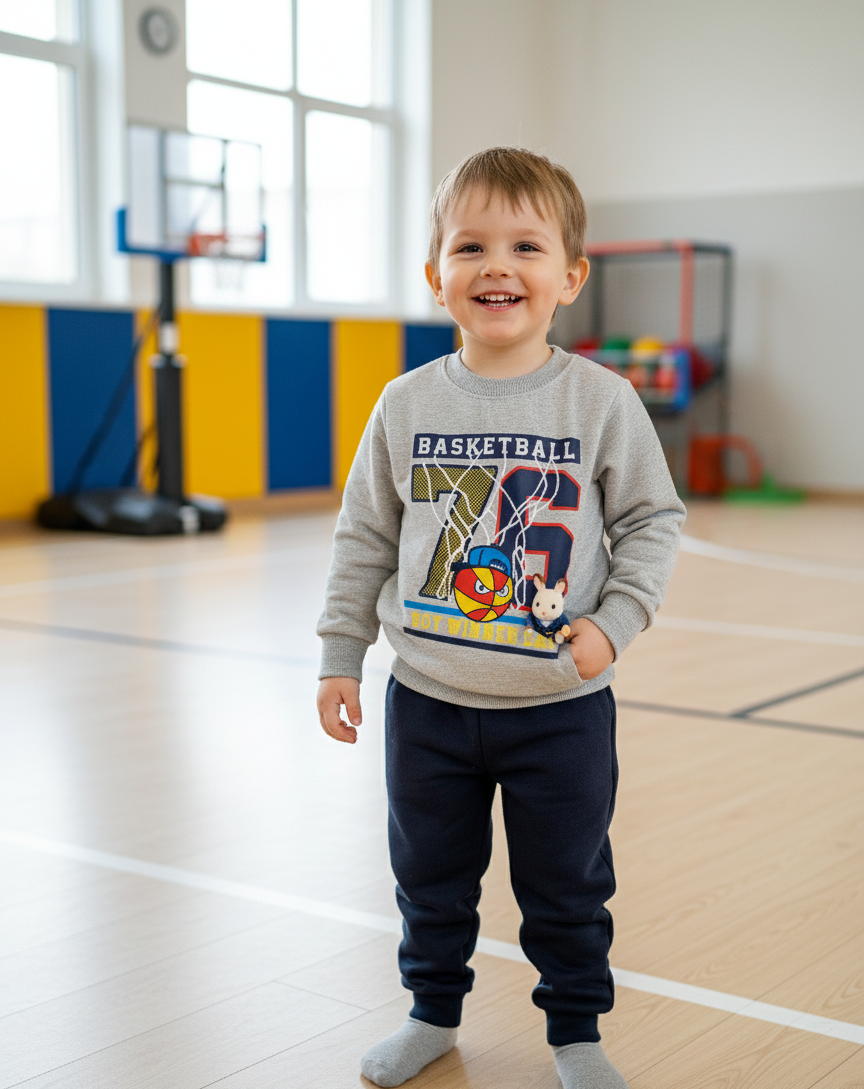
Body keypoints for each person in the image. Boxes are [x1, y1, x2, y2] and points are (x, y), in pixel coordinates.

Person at [316, 147, 686, 1089]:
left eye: (526, 246)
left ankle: (576, 1033)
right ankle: (431, 1013)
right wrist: (340, 654)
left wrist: (617, 619)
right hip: (427, 703)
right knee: (429, 878)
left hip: (559, 708)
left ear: (570, 276)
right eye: (470, 245)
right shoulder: (404, 403)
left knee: (567, 884)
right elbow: (364, 535)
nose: (497, 265)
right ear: (435, 274)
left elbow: (653, 520)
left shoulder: (601, 400)